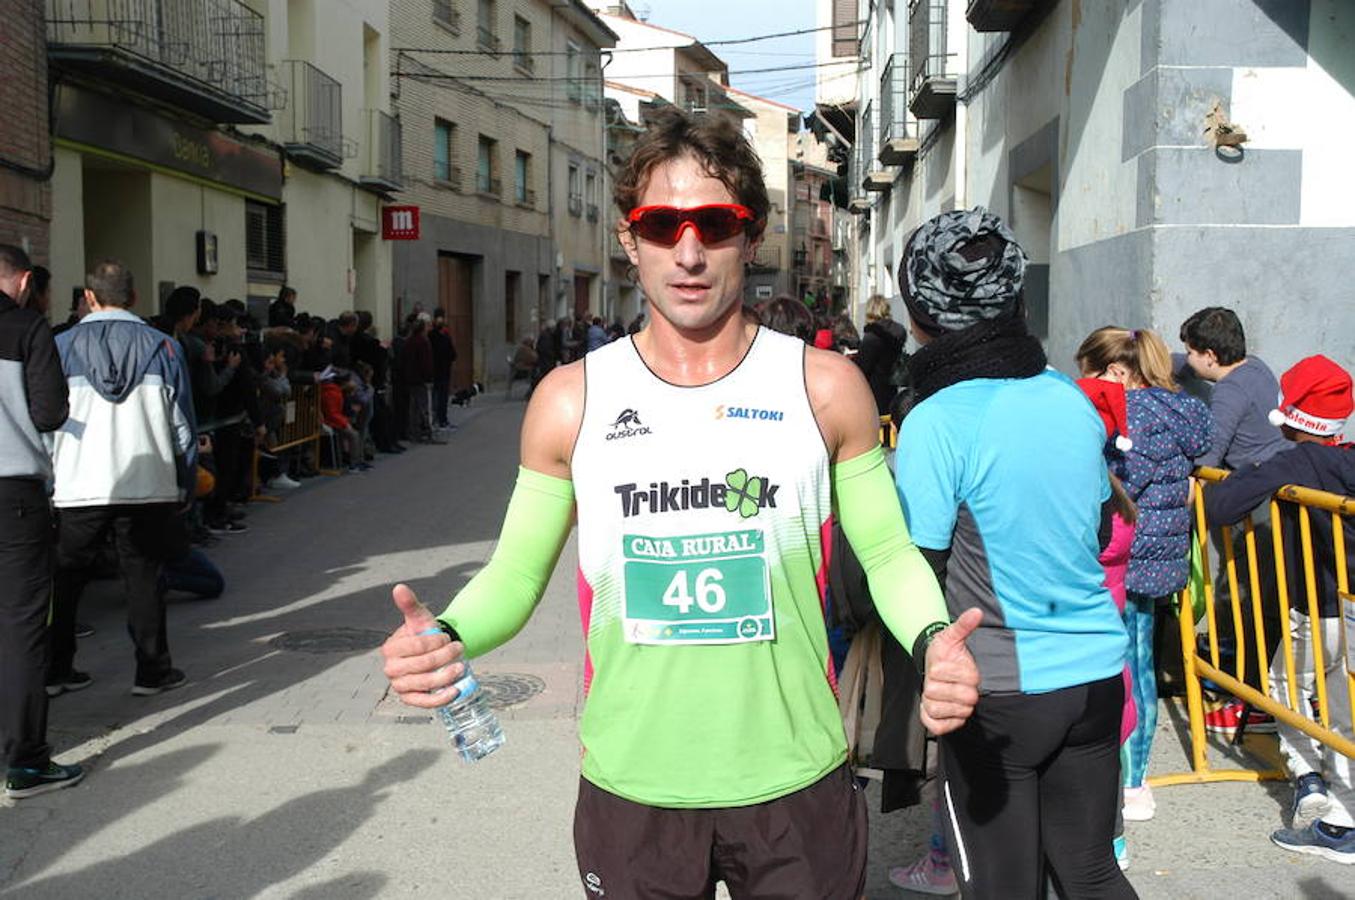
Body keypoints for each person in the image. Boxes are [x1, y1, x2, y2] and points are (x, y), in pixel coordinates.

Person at [379, 108, 981, 898]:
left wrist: (936, 638)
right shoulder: (569, 401)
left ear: (751, 235)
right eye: (662, 225)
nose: (688, 252)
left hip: (794, 779)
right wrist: (446, 635)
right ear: (630, 241)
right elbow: (516, 575)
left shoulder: (826, 387)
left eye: (714, 223)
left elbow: (887, 552)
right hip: (634, 785)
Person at [893, 208, 1135, 898]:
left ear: (918, 312)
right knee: (1090, 871)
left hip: (998, 689)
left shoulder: (936, 420)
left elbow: (914, 565)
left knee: (1002, 887)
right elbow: (1093, 529)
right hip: (1091, 677)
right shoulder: (1066, 396)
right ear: (1014, 299)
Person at [1202, 354, 1354, 865]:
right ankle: (1344, 814)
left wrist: (1256, 472)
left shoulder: (1294, 464)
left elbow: (1222, 507)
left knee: (1287, 691)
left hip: (1313, 608)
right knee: (1344, 710)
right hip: (1350, 612)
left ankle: (1313, 789)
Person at [1076, 326, 1212, 823]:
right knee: (1143, 665)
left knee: (1126, 670)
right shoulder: (1183, 410)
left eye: (1089, 374)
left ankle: (1129, 782)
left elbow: (1118, 484)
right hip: (1163, 555)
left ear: (1116, 372)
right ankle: (1134, 778)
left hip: (1127, 556)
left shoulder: (1134, 416)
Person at [47, 260, 196, 697]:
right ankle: (152, 672)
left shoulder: (60, 347)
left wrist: (49, 479)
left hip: (78, 485)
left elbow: (44, 423)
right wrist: (185, 481)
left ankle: (56, 671)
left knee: (66, 580)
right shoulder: (164, 348)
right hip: (148, 484)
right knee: (144, 579)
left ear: (89, 297)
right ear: (133, 297)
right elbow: (183, 426)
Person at [0, 244, 82, 799]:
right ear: (25, 280)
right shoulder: (27, 327)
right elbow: (51, 412)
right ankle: (26, 762)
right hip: (13, 493)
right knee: (24, 625)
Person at [854, 294, 907, 415]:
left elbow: (862, 368)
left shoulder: (872, 338)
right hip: (892, 388)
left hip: (874, 392)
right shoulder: (899, 332)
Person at [428, 310, 456, 428]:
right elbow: (453, 354)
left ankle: (436, 420)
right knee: (441, 397)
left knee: (436, 396)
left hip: (436, 371)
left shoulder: (430, 336)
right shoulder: (444, 337)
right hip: (442, 371)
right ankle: (441, 419)